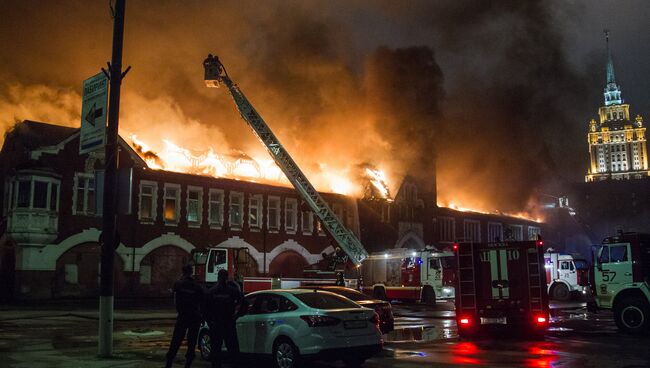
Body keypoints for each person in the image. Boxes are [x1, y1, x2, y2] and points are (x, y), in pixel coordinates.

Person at [165, 264, 204, 368]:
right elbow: (203, 301)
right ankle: (188, 364)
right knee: (191, 342)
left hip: (183, 316)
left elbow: (173, 295)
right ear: (192, 272)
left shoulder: (178, 283)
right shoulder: (197, 285)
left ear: (183, 271)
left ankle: (169, 363)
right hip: (194, 317)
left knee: (176, 340)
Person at [205, 269, 246, 368]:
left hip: (216, 324)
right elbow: (244, 303)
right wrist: (237, 316)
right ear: (227, 277)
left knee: (216, 351)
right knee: (233, 349)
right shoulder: (232, 291)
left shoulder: (212, 291)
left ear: (218, 277)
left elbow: (204, 308)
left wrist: (209, 321)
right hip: (228, 323)